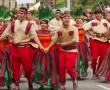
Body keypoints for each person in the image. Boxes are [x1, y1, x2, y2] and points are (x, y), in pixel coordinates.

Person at [0, 7, 44, 90]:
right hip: (14, 48)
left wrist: (41, 46)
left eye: (21, 13)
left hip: (26, 48)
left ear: (26, 15)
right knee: (15, 66)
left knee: (27, 68)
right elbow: (5, 34)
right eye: (18, 13)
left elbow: (34, 37)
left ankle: (29, 82)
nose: (19, 15)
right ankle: (17, 86)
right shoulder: (13, 23)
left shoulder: (29, 24)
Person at [46, 14, 79, 90]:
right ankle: (62, 84)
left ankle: (74, 78)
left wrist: (65, 44)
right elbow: (54, 40)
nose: (67, 19)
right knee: (61, 68)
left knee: (69, 67)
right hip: (62, 51)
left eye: (68, 18)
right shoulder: (58, 30)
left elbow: (76, 41)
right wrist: (47, 47)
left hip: (72, 51)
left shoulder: (74, 28)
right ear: (62, 20)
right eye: (65, 18)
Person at [83, 9, 110, 80]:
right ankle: (94, 72)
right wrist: (91, 33)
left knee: (103, 57)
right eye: (96, 13)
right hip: (95, 40)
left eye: (99, 13)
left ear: (101, 14)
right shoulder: (92, 22)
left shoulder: (106, 22)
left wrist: (107, 34)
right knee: (94, 57)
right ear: (95, 15)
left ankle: (98, 71)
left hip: (104, 41)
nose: (98, 15)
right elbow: (84, 28)